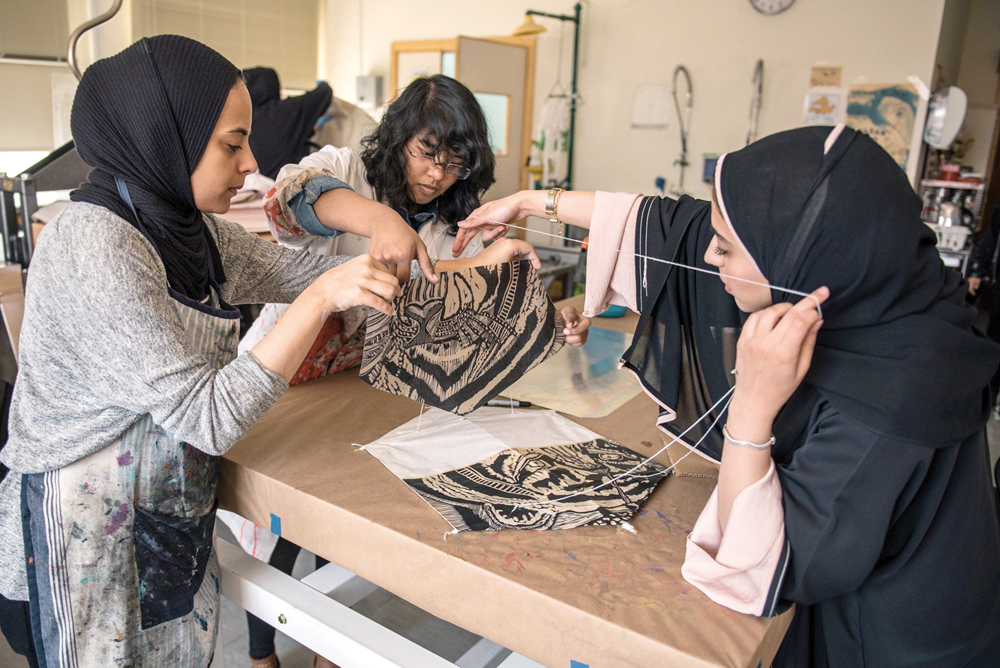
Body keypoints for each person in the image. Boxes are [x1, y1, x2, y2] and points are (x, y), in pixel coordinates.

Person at [0, 35, 537, 668]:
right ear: (163, 136)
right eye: (232, 144)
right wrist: (328, 288)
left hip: (155, 521)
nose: (251, 162)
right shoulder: (95, 243)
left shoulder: (188, 233)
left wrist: (477, 264)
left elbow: (303, 276)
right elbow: (208, 417)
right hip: (78, 540)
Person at [457, 125, 1000, 667]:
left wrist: (752, 408)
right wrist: (531, 201)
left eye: (727, 247)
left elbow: (761, 569)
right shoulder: (879, 282)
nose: (710, 256)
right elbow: (674, 225)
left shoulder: (893, 402)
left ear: (798, 269)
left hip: (890, 637)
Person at [227, 73, 591, 668]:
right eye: (426, 154)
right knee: (273, 532)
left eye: (454, 164)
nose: (436, 176)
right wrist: (379, 221)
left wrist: (548, 314)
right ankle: (262, 654)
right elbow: (290, 200)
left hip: (357, 385)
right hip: (282, 379)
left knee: (334, 522)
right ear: (398, 138)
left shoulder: (445, 223)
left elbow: (440, 285)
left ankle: (324, 647)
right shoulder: (345, 169)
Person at [244, 67, 332, 180]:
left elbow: (280, 142)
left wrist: (310, 131)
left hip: (267, 187)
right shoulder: (282, 111)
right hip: (297, 180)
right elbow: (324, 94)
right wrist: (322, 85)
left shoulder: (246, 121)